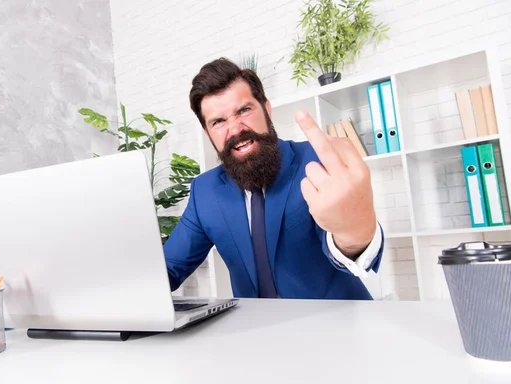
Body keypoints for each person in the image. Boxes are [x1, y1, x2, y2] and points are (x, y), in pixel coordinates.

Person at [163, 57, 384, 300]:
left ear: (266, 108)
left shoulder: (316, 161)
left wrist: (353, 233)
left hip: (337, 326)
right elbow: (168, 269)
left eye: (244, 110)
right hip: (257, 333)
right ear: (208, 133)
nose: (235, 129)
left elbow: (345, 246)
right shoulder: (204, 191)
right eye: (218, 122)